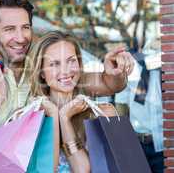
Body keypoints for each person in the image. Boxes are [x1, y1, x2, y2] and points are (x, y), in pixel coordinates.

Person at [0, 0, 134, 162]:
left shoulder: (43, 67)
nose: (21, 38)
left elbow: (109, 84)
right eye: (10, 29)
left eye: (26, 28)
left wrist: (114, 72)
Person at [27, 31, 122, 172]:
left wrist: (64, 119)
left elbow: (83, 170)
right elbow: (44, 170)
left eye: (71, 60)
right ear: (41, 73)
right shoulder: (28, 118)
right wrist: (53, 115)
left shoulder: (103, 113)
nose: (65, 71)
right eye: (54, 64)